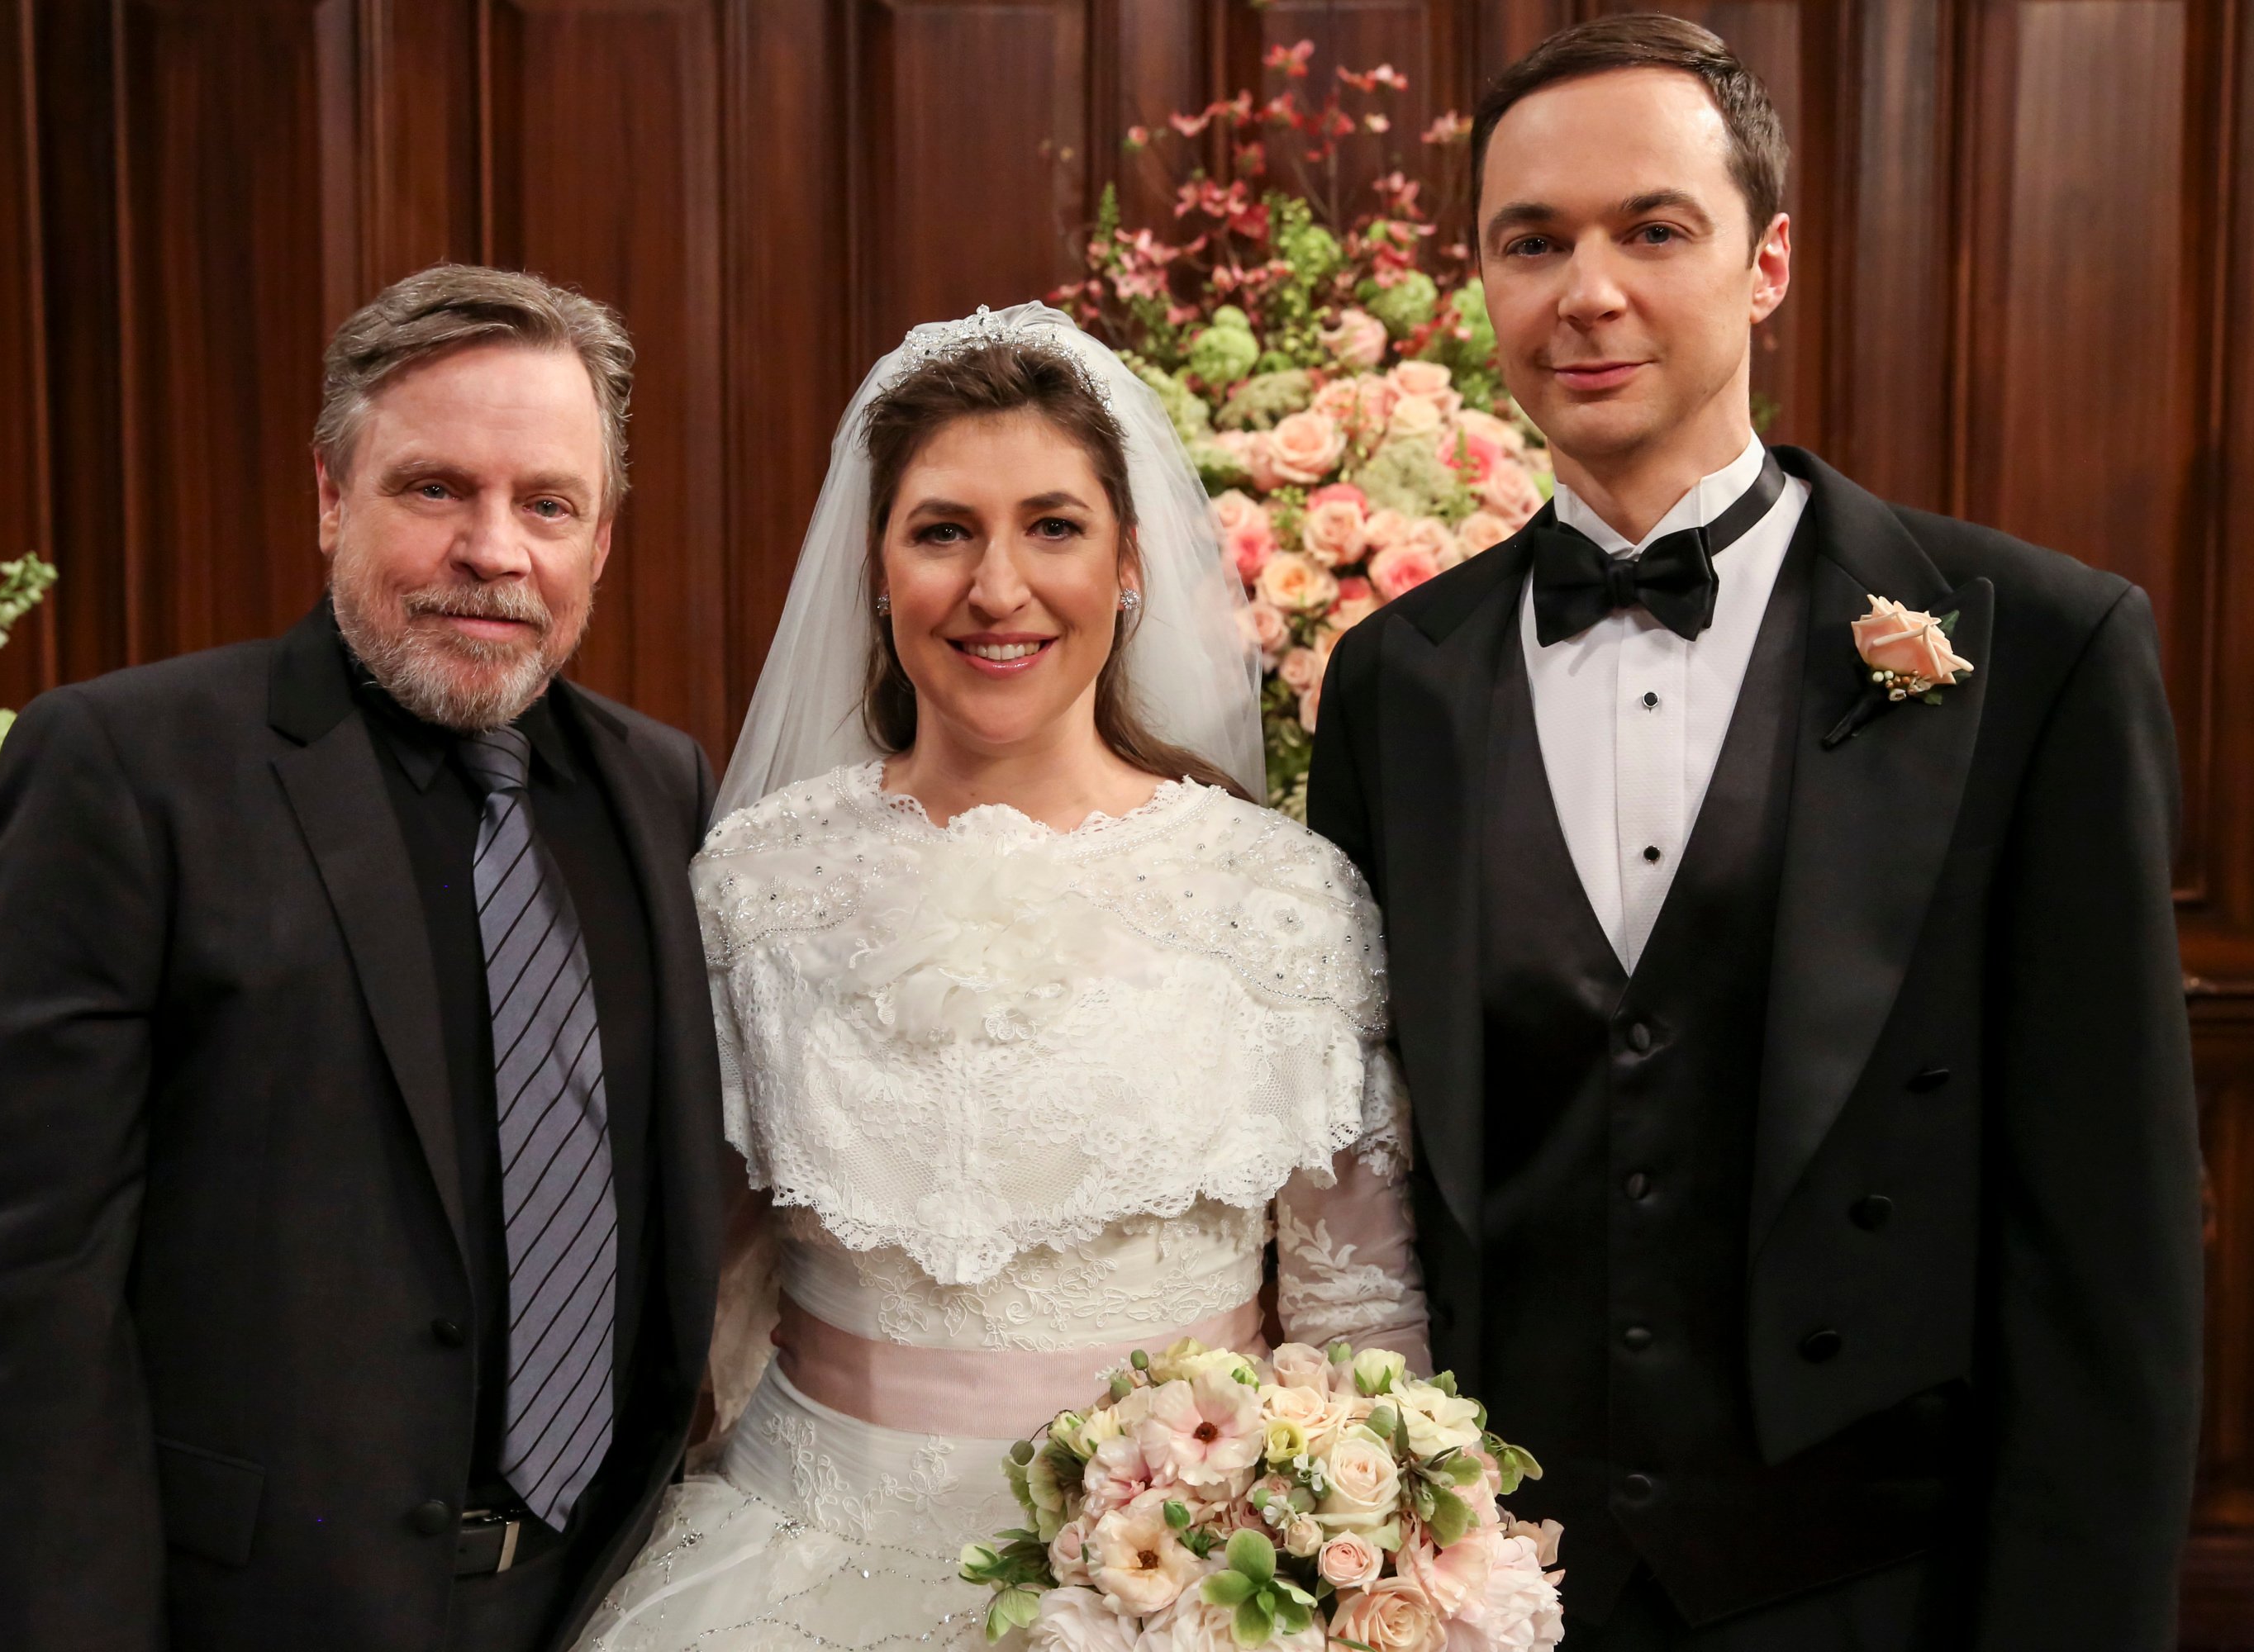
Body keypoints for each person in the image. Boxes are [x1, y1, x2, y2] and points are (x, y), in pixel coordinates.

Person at [1307, 16, 2204, 1650]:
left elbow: (2110, 1262)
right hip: (1491, 1593)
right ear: (1482, 283)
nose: (1589, 290)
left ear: (1766, 260)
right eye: (1533, 241)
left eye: (1653, 229)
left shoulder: (2041, 651)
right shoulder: (1392, 686)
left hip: (1872, 1596)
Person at [577, 303, 1430, 1648]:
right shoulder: (752, 889)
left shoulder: (1280, 896)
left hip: (1186, 1607)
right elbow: (690, 1289)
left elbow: (1359, 1314)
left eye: (1053, 525)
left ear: (1130, 560)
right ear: (876, 567)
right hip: (794, 1577)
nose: (997, 588)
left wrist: (1370, 1562)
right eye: (942, 531)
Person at [0, 265, 724, 1651]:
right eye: (435, 490)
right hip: (253, 1611)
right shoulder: (126, 768)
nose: (495, 549)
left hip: (603, 1598)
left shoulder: (662, 792)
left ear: (601, 539)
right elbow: (24, 1290)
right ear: (328, 496)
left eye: (548, 503)